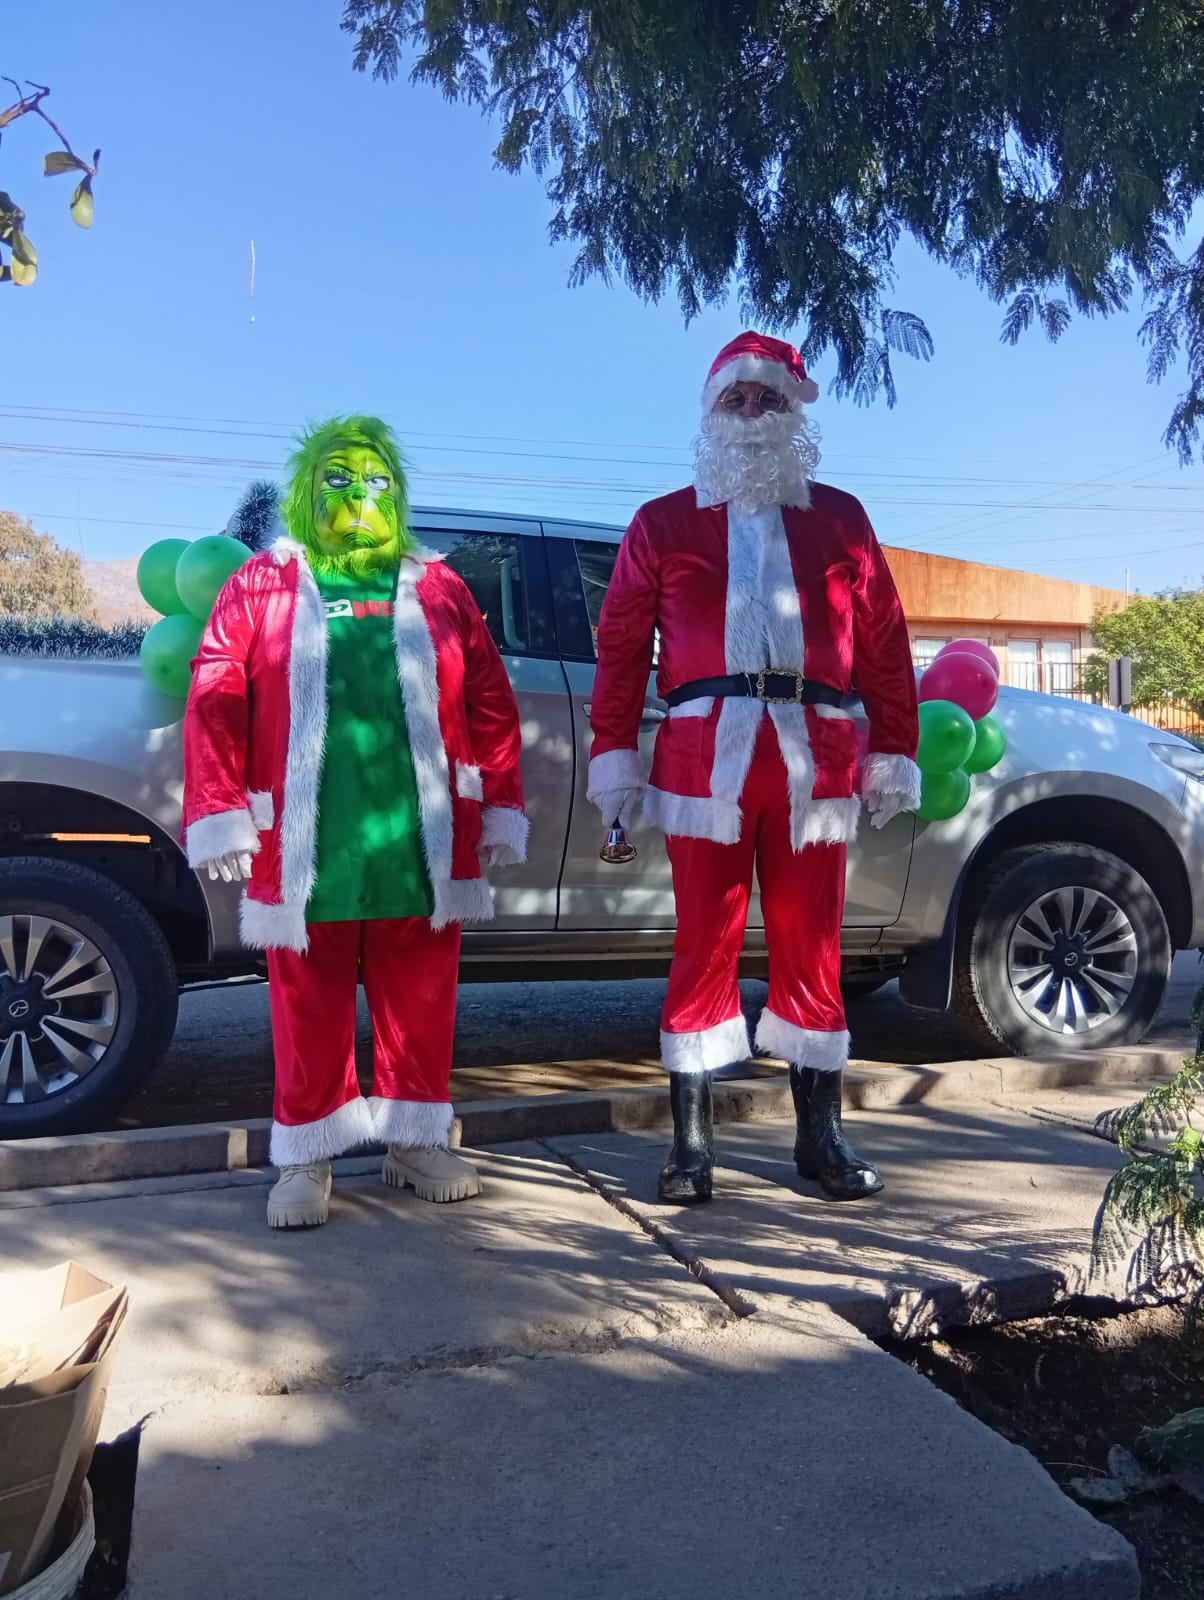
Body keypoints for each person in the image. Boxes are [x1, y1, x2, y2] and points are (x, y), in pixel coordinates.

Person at [587, 333, 920, 1205]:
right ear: (710, 413)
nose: (750, 414)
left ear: (793, 412)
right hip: (707, 758)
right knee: (704, 942)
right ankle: (692, 1148)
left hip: (816, 755)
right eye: (734, 400)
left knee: (814, 948)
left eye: (766, 399)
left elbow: (884, 642)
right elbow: (621, 647)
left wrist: (895, 745)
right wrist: (614, 750)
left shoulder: (842, 518)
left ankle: (821, 1138)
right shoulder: (662, 521)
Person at [182, 415, 527, 1229]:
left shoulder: (439, 585)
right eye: (339, 478)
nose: (360, 495)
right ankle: (305, 1154)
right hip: (310, 840)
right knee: (308, 1000)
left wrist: (500, 804)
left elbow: (488, 698)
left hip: (418, 834)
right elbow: (215, 691)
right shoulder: (266, 581)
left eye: (376, 481)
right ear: (308, 488)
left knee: (423, 992)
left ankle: (415, 1139)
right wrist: (221, 806)